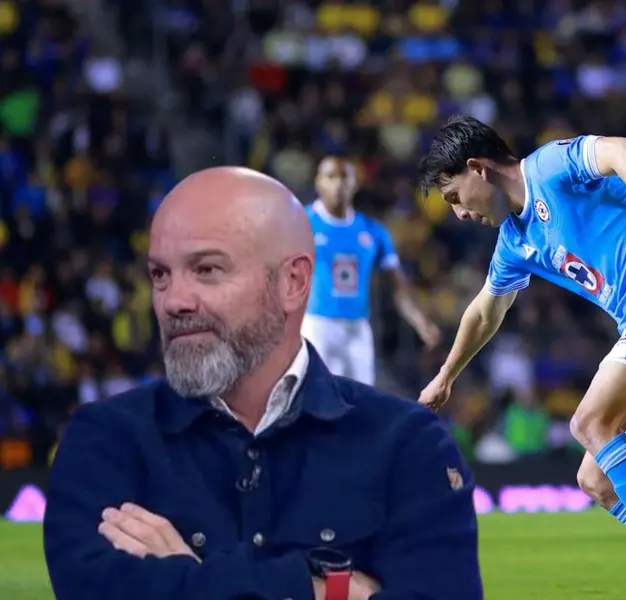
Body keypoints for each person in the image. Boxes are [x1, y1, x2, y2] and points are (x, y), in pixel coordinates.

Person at [42, 167, 482, 600]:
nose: (174, 301)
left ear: (293, 282)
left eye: (207, 270)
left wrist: (186, 580)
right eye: (160, 275)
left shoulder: (409, 444)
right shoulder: (105, 440)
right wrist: (325, 590)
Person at [416, 116, 626, 600]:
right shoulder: (514, 241)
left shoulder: (550, 166)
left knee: (590, 422)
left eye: (454, 197)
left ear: (478, 169)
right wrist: (447, 374)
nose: (460, 214)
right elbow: (485, 310)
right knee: (596, 478)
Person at [302, 156, 441, 385]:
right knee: (316, 397)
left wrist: (419, 321)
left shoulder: (373, 231)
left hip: (357, 327)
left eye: (344, 177)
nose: (338, 184)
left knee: (360, 403)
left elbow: (398, 285)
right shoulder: (302, 221)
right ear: (318, 182)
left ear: (355, 183)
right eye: (331, 177)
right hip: (316, 323)